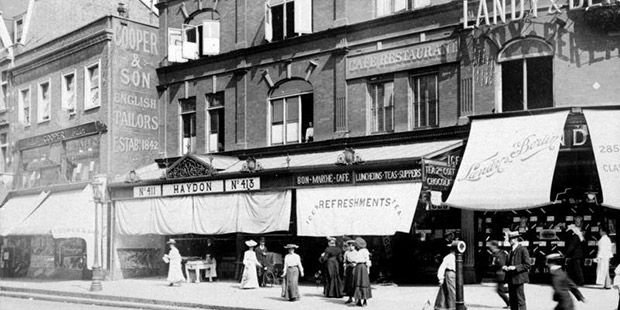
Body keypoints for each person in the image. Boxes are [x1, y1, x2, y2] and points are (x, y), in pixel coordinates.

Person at [503, 231, 531, 310]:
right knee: (512, 300)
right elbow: (508, 263)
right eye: (510, 239)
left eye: (511, 239)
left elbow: (527, 265)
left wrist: (515, 267)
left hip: (519, 279)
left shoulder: (523, 250)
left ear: (516, 239)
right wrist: (505, 267)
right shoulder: (510, 251)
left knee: (520, 300)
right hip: (511, 279)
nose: (510, 241)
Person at [435, 242, 457, 310]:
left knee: (450, 290)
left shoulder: (456, 256)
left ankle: (445, 306)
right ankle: (452, 306)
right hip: (450, 274)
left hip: (454, 274)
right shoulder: (448, 257)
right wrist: (441, 278)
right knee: (452, 291)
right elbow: (442, 267)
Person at [489, 240, 510, 308]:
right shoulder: (499, 253)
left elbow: (501, 264)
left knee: (500, 291)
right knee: (501, 290)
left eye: (491, 246)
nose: (490, 248)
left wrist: (493, 264)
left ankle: (509, 303)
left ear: (494, 246)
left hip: (500, 274)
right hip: (500, 274)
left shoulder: (498, 254)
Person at [352, 237, 372, 307]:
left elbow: (367, 260)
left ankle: (364, 300)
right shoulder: (360, 251)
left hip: (362, 267)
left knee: (362, 282)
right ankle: (360, 300)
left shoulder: (364, 251)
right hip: (360, 267)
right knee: (360, 282)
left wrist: (368, 269)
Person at [343, 240, 358, 304]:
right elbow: (344, 261)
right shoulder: (346, 252)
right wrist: (345, 268)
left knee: (354, 283)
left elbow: (358, 260)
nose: (351, 247)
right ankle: (350, 298)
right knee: (349, 283)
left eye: (352, 246)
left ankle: (356, 298)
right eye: (350, 245)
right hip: (348, 268)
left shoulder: (357, 252)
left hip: (355, 268)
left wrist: (355, 264)